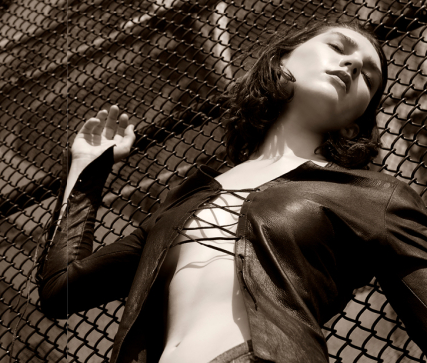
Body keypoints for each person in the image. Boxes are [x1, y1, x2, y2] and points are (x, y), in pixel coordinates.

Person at [35, 20, 427, 363]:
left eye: (369, 78)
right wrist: (85, 171)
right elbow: (60, 290)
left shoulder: (374, 197)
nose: (353, 65)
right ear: (281, 61)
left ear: (354, 123)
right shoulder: (186, 201)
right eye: (338, 47)